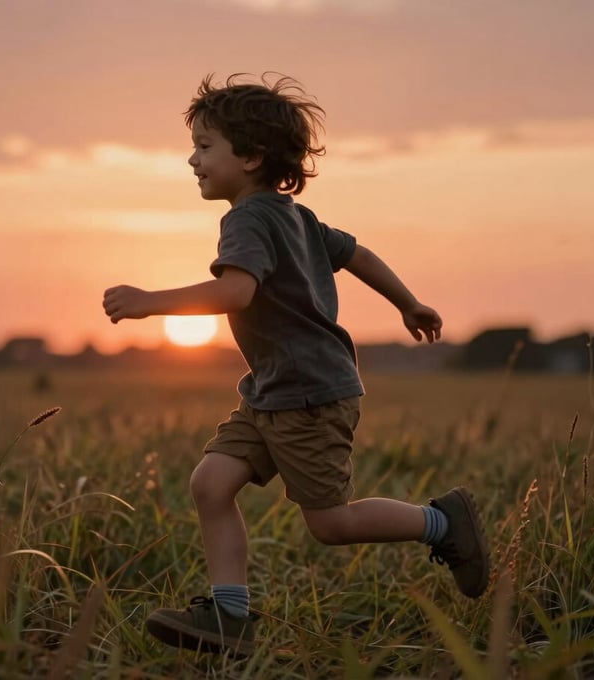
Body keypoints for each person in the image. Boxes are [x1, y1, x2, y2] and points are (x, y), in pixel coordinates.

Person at [102, 73, 489, 657]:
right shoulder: (296, 217)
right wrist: (407, 302)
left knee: (331, 525)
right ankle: (230, 617)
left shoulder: (250, 220)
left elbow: (235, 294)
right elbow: (357, 253)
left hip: (309, 394)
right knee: (211, 484)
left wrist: (147, 303)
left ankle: (443, 522)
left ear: (252, 156)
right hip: (270, 391)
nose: (192, 159)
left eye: (206, 147)